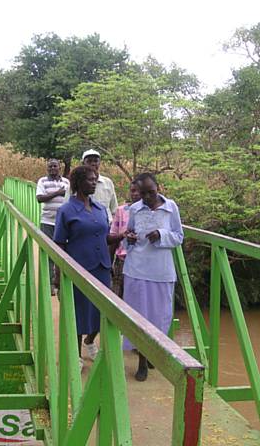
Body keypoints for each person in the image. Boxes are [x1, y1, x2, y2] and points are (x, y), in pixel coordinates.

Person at [123, 172, 183, 381]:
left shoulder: (170, 208)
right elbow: (128, 235)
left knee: (160, 316)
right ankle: (142, 362)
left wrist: (161, 235)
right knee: (139, 316)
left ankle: (151, 353)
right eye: (143, 193)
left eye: (152, 192)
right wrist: (129, 239)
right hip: (137, 269)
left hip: (161, 271)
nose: (148, 197)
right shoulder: (135, 209)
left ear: (159, 188)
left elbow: (178, 236)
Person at [53, 165, 112, 367]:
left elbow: (104, 236)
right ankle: (76, 355)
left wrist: (122, 238)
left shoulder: (100, 209)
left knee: (101, 310)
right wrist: (58, 276)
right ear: (78, 183)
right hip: (79, 268)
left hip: (102, 267)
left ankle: (90, 341)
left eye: (95, 179)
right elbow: (59, 243)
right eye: (89, 179)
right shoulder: (66, 211)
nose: (94, 182)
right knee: (79, 311)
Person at [80, 149, 118, 357]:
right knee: (80, 297)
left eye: (96, 161)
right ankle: (76, 352)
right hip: (84, 237)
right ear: (83, 162)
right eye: (90, 161)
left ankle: (91, 340)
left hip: (106, 237)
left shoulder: (108, 183)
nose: (94, 164)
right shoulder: (76, 184)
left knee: (104, 294)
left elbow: (114, 210)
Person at [36, 158, 70, 295]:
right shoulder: (42, 181)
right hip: (47, 221)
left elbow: (70, 198)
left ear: (59, 168)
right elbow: (39, 198)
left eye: (54, 166)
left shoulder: (66, 182)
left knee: (64, 253)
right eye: (50, 167)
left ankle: (61, 283)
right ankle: (49, 284)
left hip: (64, 223)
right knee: (49, 253)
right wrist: (57, 193)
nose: (52, 169)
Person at [108, 180, 141, 298]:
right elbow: (112, 237)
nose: (135, 194)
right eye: (132, 191)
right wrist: (109, 261)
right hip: (122, 260)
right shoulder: (121, 211)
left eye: (138, 191)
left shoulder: (152, 212)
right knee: (118, 296)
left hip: (142, 261)